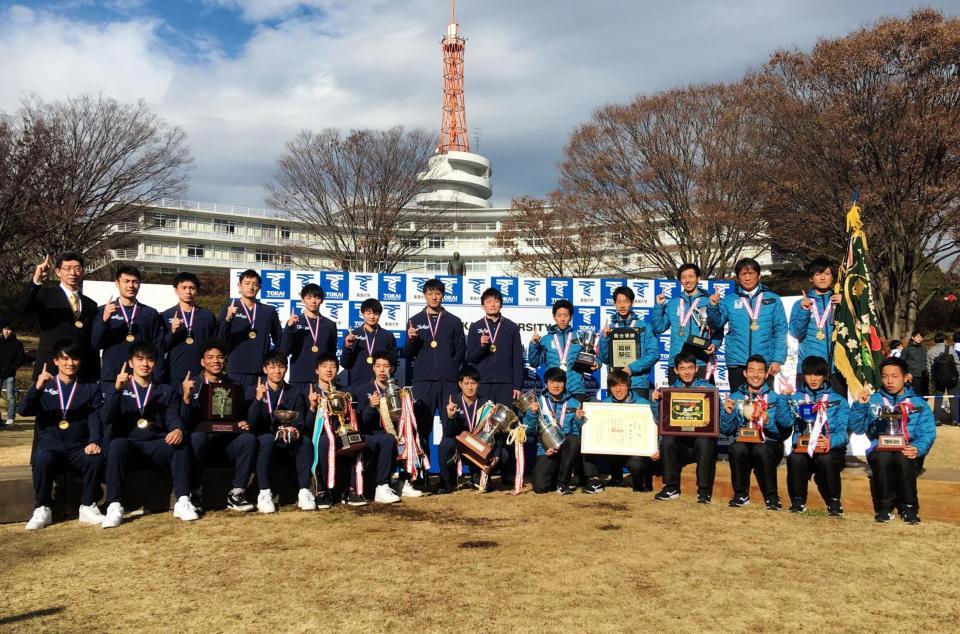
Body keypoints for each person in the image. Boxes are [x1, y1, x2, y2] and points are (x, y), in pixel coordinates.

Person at [101, 343, 198, 527]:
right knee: (116, 445)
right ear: (130, 362)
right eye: (139, 359)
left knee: (181, 442)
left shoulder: (165, 390)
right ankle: (114, 505)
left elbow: (173, 417)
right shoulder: (119, 387)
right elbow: (106, 417)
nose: (145, 364)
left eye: (150, 359)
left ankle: (183, 500)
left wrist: (177, 428)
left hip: (156, 444)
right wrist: (117, 390)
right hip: (130, 446)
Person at [19, 342, 104, 530]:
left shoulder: (90, 388)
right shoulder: (45, 385)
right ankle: (42, 507)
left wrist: (94, 441)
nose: (70, 363)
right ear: (56, 361)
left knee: (95, 458)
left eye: (74, 358)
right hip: (52, 446)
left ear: (80, 362)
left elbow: (95, 418)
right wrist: (37, 388)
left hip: (77, 447)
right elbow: (24, 410)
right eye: (65, 358)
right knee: (42, 458)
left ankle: (87, 505)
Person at [850, 357, 936, 524]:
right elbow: (858, 428)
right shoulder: (873, 400)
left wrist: (917, 448)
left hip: (908, 451)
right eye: (885, 376)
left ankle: (909, 507)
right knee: (883, 458)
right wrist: (860, 405)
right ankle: (885, 508)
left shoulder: (919, 403)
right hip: (880, 450)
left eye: (895, 376)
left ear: (906, 377)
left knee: (903, 458)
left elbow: (927, 433)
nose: (889, 381)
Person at [181, 340, 257, 513]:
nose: (216, 361)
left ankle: (237, 494)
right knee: (196, 438)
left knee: (248, 439)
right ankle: (195, 492)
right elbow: (185, 420)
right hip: (203, 440)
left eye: (220, 357)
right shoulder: (192, 384)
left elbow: (240, 415)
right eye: (210, 357)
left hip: (227, 441)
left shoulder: (234, 385)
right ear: (202, 362)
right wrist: (186, 397)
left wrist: (244, 422)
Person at [404, 278, 465, 490]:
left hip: (448, 383)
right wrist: (410, 340)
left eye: (438, 293)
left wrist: (450, 371)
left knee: (450, 429)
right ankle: (421, 477)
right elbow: (408, 354)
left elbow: (461, 352)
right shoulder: (414, 320)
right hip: (423, 383)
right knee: (421, 430)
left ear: (443, 296)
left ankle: (449, 480)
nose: (434, 297)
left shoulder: (454, 321)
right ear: (425, 295)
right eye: (430, 293)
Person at [720, 355, 793, 510]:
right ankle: (740, 494)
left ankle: (772, 497)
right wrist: (727, 414)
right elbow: (726, 431)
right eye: (751, 370)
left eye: (760, 371)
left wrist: (768, 422)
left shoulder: (775, 398)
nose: (755, 375)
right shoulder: (734, 397)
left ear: (766, 374)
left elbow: (783, 433)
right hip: (745, 443)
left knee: (762, 449)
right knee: (736, 447)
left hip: (770, 444)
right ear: (745, 373)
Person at [247, 350, 316, 512]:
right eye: (272, 367)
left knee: (305, 441)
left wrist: (296, 430)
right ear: (265, 369)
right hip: (265, 437)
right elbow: (251, 422)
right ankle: (264, 493)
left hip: (288, 439)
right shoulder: (254, 390)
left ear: (286, 369)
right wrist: (258, 400)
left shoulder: (295, 392)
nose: (277, 371)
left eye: (281, 367)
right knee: (266, 440)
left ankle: (304, 491)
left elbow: (300, 422)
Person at [707, 258, 787, 391]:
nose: (748, 278)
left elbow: (781, 331)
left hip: (763, 362)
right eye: (744, 274)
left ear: (759, 276)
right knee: (738, 404)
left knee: (763, 406)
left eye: (751, 274)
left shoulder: (773, 299)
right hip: (737, 362)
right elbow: (717, 323)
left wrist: (777, 360)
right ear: (737, 278)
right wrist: (713, 307)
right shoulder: (730, 299)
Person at [784, 356, 849, 516]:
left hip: (828, 448)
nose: (813, 379)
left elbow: (844, 432)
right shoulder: (796, 399)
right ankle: (798, 500)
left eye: (818, 374)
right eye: (809, 374)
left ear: (825, 376)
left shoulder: (839, 400)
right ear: (803, 375)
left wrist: (830, 441)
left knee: (825, 459)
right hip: (803, 448)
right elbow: (785, 423)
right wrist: (783, 399)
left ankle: (834, 501)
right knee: (794, 458)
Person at [20, 252, 100, 382]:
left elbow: (91, 340)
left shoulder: (90, 304)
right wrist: (36, 279)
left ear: (83, 271)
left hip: (80, 370)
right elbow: (24, 308)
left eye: (77, 268)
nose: (72, 273)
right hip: (50, 365)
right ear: (58, 272)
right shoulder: (45, 295)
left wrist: (95, 373)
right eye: (67, 268)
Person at [651, 352, 717, 503]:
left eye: (690, 368)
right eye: (682, 368)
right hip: (680, 444)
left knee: (705, 441)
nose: (686, 372)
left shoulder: (708, 389)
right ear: (676, 370)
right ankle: (671, 488)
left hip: (700, 443)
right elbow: (660, 421)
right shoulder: (668, 392)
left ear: (696, 369)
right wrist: (656, 403)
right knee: (667, 441)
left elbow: (715, 419)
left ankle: (704, 492)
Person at [307, 352, 369, 508]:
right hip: (319, 435)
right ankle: (322, 491)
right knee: (324, 442)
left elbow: (353, 419)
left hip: (341, 433)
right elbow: (306, 425)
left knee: (359, 441)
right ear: (316, 370)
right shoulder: (309, 392)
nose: (329, 370)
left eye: (333, 366)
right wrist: (313, 407)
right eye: (324, 366)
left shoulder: (345, 393)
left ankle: (353, 490)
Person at [91, 265, 165, 393]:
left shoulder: (150, 313)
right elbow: (95, 343)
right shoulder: (104, 310)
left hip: (141, 377)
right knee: (110, 411)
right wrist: (104, 320)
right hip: (112, 375)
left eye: (135, 282)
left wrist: (156, 375)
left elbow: (157, 346)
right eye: (126, 281)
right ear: (117, 283)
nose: (131, 285)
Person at [584, 369, 657, 494]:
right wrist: (580, 419)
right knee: (587, 444)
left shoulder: (643, 404)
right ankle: (593, 481)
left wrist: (657, 447)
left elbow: (656, 427)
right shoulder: (604, 404)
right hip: (613, 448)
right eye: (613, 386)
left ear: (628, 386)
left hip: (635, 450)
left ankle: (640, 483)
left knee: (636, 464)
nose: (618, 390)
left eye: (621, 385)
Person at [650, 264, 722, 385]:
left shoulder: (708, 300)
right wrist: (659, 306)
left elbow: (718, 327)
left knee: (704, 401)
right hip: (677, 363)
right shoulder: (673, 303)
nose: (687, 280)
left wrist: (715, 344)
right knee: (677, 400)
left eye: (691, 276)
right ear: (680, 281)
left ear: (698, 278)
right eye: (683, 277)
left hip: (701, 362)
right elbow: (659, 327)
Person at [351, 351, 403, 503]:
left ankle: (403, 482)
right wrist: (371, 406)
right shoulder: (362, 390)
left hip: (390, 432)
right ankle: (381, 485)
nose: (382, 370)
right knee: (386, 440)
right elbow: (360, 422)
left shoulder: (397, 391)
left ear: (392, 368)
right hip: (368, 432)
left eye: (386, 366)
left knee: (403, 438)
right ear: (373, 368)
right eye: (378, 366)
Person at [523, 368, 586, 495]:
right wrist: (532, 413)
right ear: (546, 383)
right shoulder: (538, 402)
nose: (556, 385)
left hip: (566, 449)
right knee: (540, 488)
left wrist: (579, 420)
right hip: (546, 449)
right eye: (552, 382)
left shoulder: (574, 403)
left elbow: (576, 433)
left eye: (560, 382)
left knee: (574, 440)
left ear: (565, 383)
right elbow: (529, 430)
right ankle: (554, 476)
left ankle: (563, 484)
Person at [217, 269, 282, 390]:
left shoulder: (269, 311)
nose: (251, 287)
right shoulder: (229, 308)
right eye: (247, 283)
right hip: (236, 371)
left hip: (261, 371)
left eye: (255, 284)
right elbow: (220, 340)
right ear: (239, 286)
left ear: (260, 287)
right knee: (236, 407)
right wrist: (228, 319)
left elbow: (279, 340)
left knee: (260, 407)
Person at [788, 258, 844, 393]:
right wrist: (804, 311)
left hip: (837, 368)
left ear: (833, 277)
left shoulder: (841, 302)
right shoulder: (800, 304)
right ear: (811, 278)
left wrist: (846, 307)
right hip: (809, 369)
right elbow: (796, 333)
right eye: (818, 274)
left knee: (837, 409)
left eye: (827, 273)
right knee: (807, 411)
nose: (823, 278)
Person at [466, 287, 524, 406]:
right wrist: (482, 347)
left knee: (505, 422)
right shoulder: (475, 327)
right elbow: (471, 358)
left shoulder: (511, 327)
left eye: (496, 301)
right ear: (482, 306)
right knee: (483, 421)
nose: (493, 305)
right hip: (482, 383)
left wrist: (517, 386)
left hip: (506, 384)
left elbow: (517, 359)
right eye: (488, 301)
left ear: (501, 304)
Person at [599, 286, 660, 398]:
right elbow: (604, 359)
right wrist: (604, 338)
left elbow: (654, 354)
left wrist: (631, 368)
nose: (622, 305)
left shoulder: (645, 327)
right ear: (614, 304)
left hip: (638, 383)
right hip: (615, 383)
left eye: (626, 301)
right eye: (619, 302)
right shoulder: (609, 329)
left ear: (632, 303)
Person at [528, 299, 592, 400]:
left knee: (577, 416)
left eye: (565, 315)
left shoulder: (580, 337)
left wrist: (596, 363)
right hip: (554, 390)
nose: (562, 319)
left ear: (570, 317)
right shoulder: (546, 339)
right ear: (554, 317)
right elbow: (534, 363)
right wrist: (533, 344)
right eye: (559, 315)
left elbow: (593, 358)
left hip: (575, 389)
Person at [161, 272, 217, 385]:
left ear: (197, 290)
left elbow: (213, 345)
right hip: (174, 373)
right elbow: (161, 347)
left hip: (201, 373)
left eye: (192, 288)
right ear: (176, 290)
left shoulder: (207, 316)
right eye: (184, 288)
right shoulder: (165, 316)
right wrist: (172, 332)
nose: (188, 291)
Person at [281, 283, 337, 390]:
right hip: (299, 378)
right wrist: (289, 328)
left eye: (317, 298)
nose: (313, 301)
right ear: (303, 300)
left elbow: (331, 354)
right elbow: (284, 351)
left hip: (322, 380)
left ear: (322, 300)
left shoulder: (330, 325)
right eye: (309, 298)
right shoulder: (295, 323)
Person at [343, 298, 397, 388]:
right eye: (368, 313)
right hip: (357, 386)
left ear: (380, 315)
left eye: (375, 313)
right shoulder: (353, 335)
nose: (372, 317)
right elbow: (345, 364)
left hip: (381, 386)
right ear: (362, 314)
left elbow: (393, 364)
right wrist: (347, 347)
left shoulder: (388, 336)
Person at [0, 320, 26, 427]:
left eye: (9, 329)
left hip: (10, 374)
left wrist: (13, 367)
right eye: (5, 329)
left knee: (10, 396)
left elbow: (21, 358)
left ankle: (11, 417)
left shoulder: (17, 343)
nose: (7, 331)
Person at [902, 331, 927, 396]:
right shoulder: (907, 349)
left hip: (924, 375)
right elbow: (901, 362)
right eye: (918, 337)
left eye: (921, 337)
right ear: (913, 337)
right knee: (915, 394)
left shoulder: (923, 348)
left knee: (925, 394)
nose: (920, 339)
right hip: (913, 376)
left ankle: (923, 405)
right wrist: (907, 373)